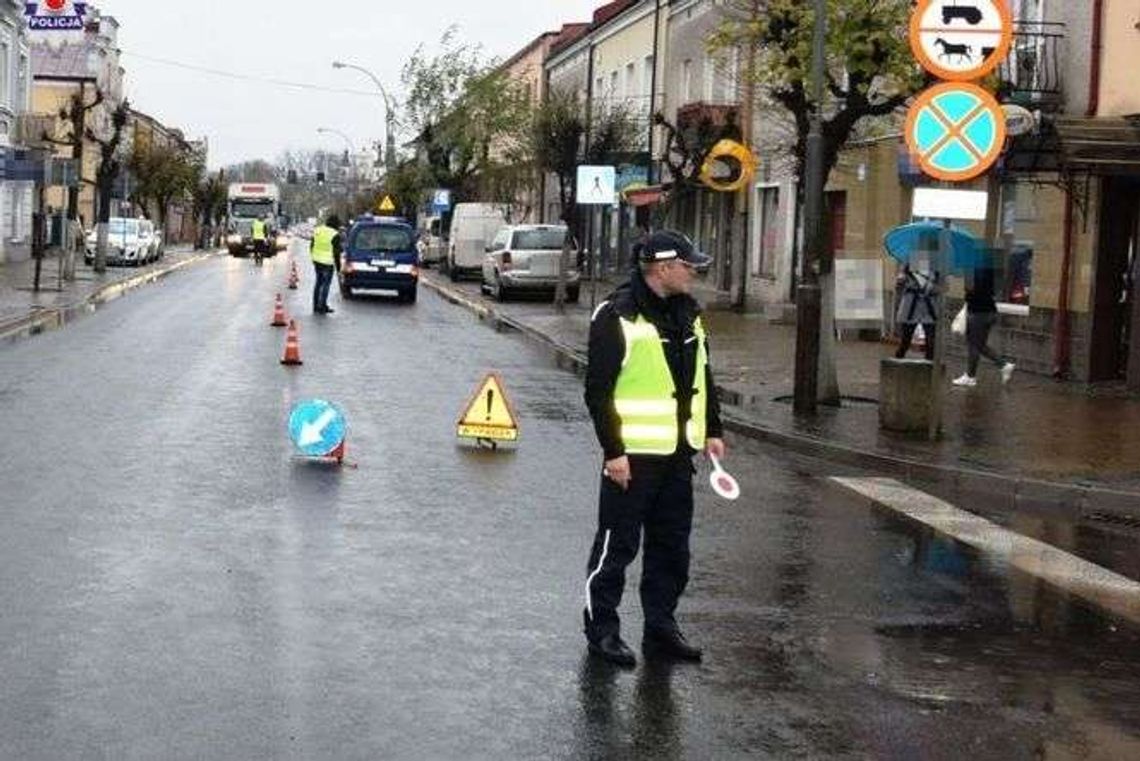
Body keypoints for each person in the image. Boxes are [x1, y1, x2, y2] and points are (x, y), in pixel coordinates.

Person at [582, 229, 726, 668]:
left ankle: (661, 627)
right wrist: (613, 452)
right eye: (689, 266)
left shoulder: (688, 314)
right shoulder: (617, 316)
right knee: (616, 547)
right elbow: (598, 391)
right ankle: (602, 630)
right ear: (663, 268)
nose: (695, 273)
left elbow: (703, 374)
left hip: (677, 456)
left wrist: (713, 430)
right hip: (633, 458)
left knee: (672, 548)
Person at [954, 263, 1015, 387]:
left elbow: (969, 288)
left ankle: (970, 377)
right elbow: (996, 289)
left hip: (977, 312)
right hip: (990, 311)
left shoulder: (972, 268)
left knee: (974, 345)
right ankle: (1003, 365)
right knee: (980, 345)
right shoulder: (990, 268)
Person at [895, 259, 939, 361]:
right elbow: (899, 286)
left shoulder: (936, 268)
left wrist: (934, 289)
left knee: (931, 343)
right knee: (905, 341)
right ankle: (897, 364)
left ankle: (928, 369)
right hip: (911, 307)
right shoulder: (908, 266)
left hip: (929, 308)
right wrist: (901, 281)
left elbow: (944, 287)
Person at [310, 215, 342, 314]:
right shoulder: (335, 234)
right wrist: (338, 268)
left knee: (318, 283)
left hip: (317, 260)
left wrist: (313, 257)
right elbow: (337, 253)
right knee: (326, 284)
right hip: (327, 262)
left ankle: (315, 305)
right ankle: (322, 305)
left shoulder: (317, 230)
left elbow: (311, 245)